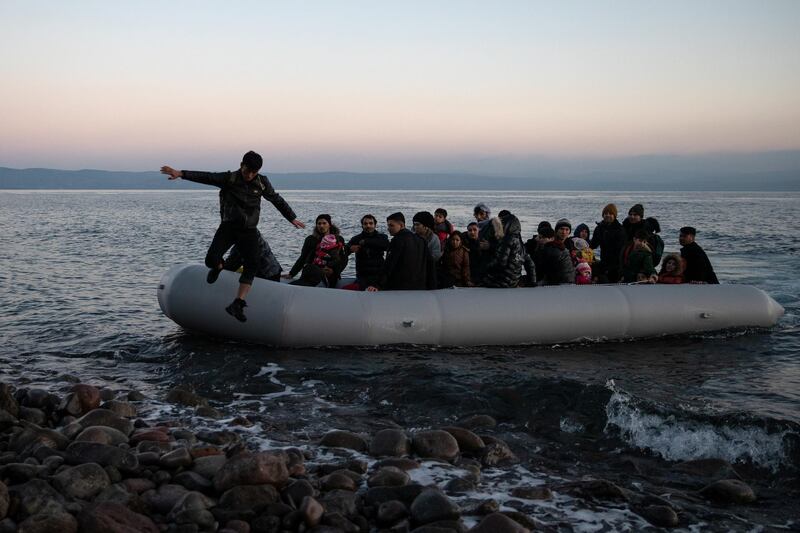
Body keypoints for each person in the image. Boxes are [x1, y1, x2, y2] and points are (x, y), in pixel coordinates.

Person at [160, 151, 304, 322]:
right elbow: (206, 177)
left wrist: (291, 217)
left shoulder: (262, 182)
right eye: (247, 170)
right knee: (211, 260)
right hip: (228, 227)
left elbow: (276, 200)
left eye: (254, 172)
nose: (250, 175)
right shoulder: (229, 179)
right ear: (242, 165)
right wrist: (181, 173)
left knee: (253, 263)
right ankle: (219, 267)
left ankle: (238, 303)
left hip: (248, 230)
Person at [367, 212, 435, 291]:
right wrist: (432, 286)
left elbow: (389, 264)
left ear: (401, 225)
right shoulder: (421, 240)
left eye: (391, 225)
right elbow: (430, 264)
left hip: (399, 287)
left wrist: (377, 285)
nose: (388, 228)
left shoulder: (398, 240)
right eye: (388, 225)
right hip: (419, 287)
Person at [286, 214, 347, 287]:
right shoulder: (310, 239)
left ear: (329, 225)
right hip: (312, 271)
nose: (321, 226)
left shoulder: (338, 239)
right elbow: (302, 258)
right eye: (319, 223)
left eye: (324, 223)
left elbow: (343, 259)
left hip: (330, 272)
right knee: (312, 270)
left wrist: (335, 271)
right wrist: (292, 273)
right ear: (316, 226)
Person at [482, 211, 533, 288]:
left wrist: (486, 268)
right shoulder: (519, 241)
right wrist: (532, 282)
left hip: (501, 281)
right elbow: (530, 264)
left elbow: (501, 262)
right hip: (514, 281)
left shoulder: (507, 240)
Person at [343, 214, 390, 290]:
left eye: (371, 223)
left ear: (375, 225)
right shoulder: (356, 238)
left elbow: (387, 246)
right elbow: (344, 251)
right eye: (365, 224)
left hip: (379, 276)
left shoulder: (382, 237)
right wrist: (350, 249)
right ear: (362, 226)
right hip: (362, 276)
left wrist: (365, 242)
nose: (368, 226)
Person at [590, 203, 625, 283]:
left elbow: (621, 249)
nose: (608, 215)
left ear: (614, 215)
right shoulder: (599, 228)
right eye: (605, 213)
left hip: (616, 264)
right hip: (604, 261)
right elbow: (593, 244)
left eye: (610, 213)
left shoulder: (620, 229)